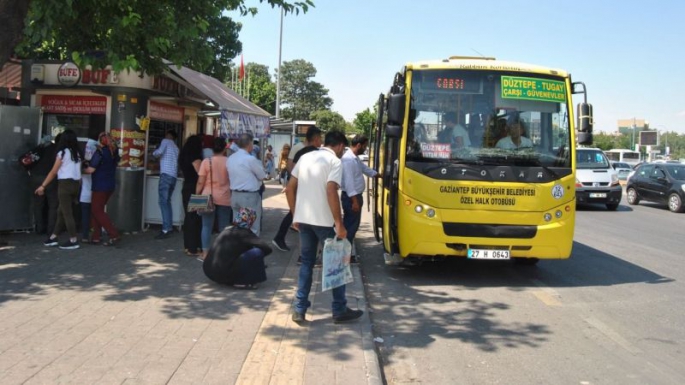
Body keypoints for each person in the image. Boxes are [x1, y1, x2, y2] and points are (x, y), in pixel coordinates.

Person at [286, 130, 363, 324]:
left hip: (304, 220)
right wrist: (339, 223)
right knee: (336, 265)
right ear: (338, 146)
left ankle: (299, 309)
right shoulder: (334, 162)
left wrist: (295, 214)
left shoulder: (306, 157)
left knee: (306, 264)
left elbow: (289, 188)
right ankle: (339, 309)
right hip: (324, 222)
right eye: (342, 148)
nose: (341, 152)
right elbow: (331, 191)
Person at [272, 127, 322, 252]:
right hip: (298, 186)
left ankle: (282, 237)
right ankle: (279, 237)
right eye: (320, 138)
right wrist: (295, 184)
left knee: (296, 212)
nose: (321, 141)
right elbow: (290, 166)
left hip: (305, 187)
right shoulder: (298, 148)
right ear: (315, 138)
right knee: (293, 212)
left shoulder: (316, 151)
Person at [202, 207, 273, 289]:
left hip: (208, 271)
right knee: (257, 252)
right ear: (250, 221)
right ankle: (241, 282)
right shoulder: (244, 233)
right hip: (222, 274)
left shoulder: (227, 229)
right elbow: (267, 248)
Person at [35, 129, 83, 250]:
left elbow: (53, 172)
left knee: (67, 213)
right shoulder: (77, 153)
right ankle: (53, 237)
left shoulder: (62, 153)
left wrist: (43, 186)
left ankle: (73, 240)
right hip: (76, 185)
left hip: (64, 185)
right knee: (61, 211)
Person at [341, 135, 378, 263]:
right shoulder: (348, 160)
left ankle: (346, 254)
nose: (365, 148)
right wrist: (355, 201)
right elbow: (349, 182)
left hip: (354, 197)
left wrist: (377, 174)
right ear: (358, 145)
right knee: (350, 228)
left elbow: (364, 169)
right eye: (365, 146)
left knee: (352, 227)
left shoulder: (354, 158)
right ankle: (344, 256)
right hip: (352, 198)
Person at [196, 137, 232, 260]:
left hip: (207, 197)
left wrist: (197, 194)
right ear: (224, 148)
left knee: (206, 226)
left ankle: (205, 253)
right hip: (225, 197)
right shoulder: (229, 162)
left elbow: (201, 182)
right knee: (223, 227)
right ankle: (221, 254)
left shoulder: (206, 162)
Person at [84, 132, 121, 246]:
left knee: (96, 210)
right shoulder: (114, 152)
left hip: (100, 185)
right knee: (97, 209)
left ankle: (113, 234)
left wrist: (82, 168)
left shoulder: (100, 152)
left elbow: (91, 170)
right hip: (110, 185)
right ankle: (96, 237)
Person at [227, 133, 266, 236]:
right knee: (252, 227)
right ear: (249, 144)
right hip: (249, 197)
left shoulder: (231, 158)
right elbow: (262, 176)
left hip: (235, 195)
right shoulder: (250, 159)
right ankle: (251, 250)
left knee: (239, 227)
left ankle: (239, 249)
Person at [30, 133, 60, 235]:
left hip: (36, 177)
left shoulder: (37, 149)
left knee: (38, 204)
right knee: (53, 204)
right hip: (50, 178)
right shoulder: (56, 150)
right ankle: (51, 230)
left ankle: (39, 228)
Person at [179, 135, 203, 256]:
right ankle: (194, 247)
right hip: (195, 189)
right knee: (196, 218)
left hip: (186, 187)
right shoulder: (195, 157)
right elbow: (200, 174)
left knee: (188, 217)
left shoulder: (183, 156)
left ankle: (188, 246)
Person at [152, 129, 179, 239]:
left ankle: (165, 229)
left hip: (165, 175)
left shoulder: (165, 141)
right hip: (173, 176)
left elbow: (159, 153)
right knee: (167, 202)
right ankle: (169, 227)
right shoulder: (176, 148)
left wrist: (152, 153)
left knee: (163, 202)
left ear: (169, 135)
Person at [79, 136, 98, 243]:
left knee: (85, 216)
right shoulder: (98, 162)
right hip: (96, 192)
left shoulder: (83, 164)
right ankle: (96, 235)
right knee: (96, 215)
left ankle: (85, 236)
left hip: (85, 195)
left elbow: (80, 179)